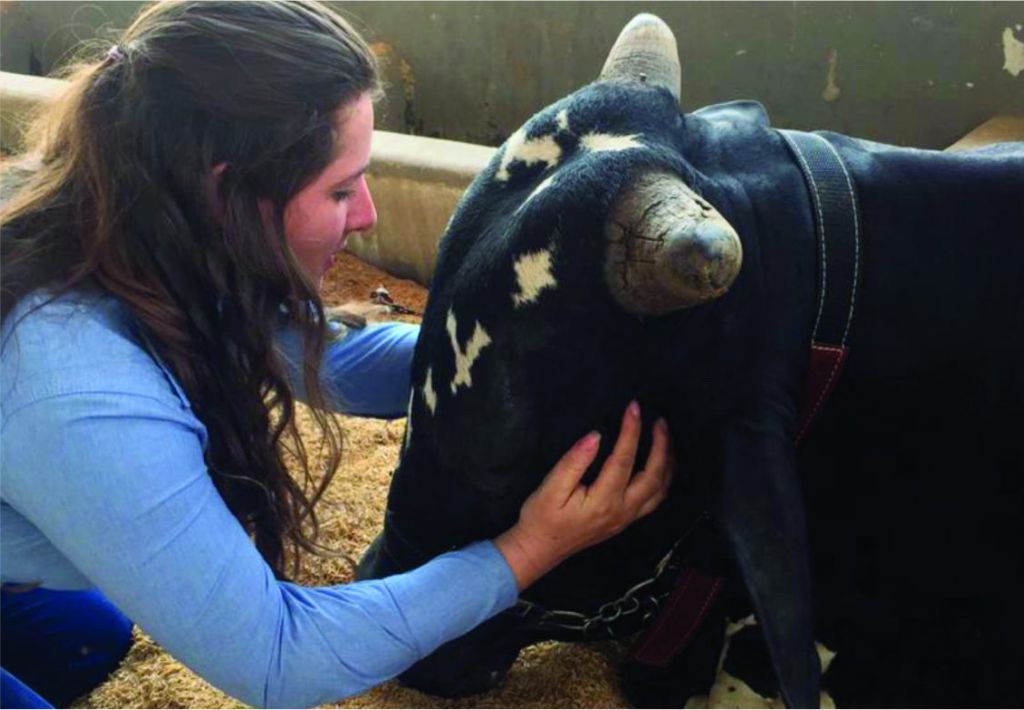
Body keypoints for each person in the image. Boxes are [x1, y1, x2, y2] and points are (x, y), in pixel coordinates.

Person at [0, 2, 674, 707]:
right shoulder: (74, 386)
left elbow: (328, 357)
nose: (368, 216)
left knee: (89, 642)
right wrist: (530, 550)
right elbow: (280, 659)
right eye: (342, 189)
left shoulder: (136, 214)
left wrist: (534, 351)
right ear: (228, 193)